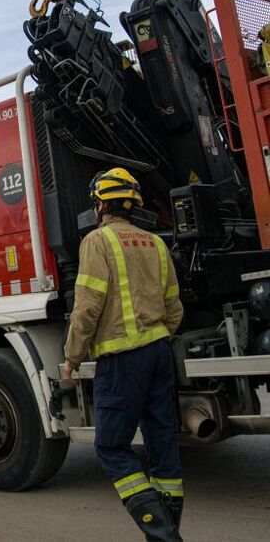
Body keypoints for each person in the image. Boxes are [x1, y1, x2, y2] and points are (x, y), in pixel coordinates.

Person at [63, 168, 184, 541]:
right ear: (133, 203)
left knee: (112, 446)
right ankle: (165, 530)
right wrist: (156, 336)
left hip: (121, 360)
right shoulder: (156, 243)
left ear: (100, 203)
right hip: (159, 354)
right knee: (162, 444)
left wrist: (72, 356)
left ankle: (165, 537)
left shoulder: (97, 242)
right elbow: (174, 308)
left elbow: (87, 306)